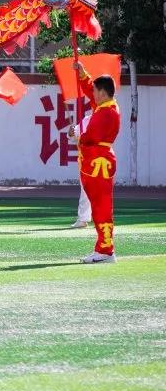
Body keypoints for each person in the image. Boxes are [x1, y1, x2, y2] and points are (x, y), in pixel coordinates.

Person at [68, 65, 120, 264]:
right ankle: (104, 248)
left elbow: (90, 137)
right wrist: (83, 75)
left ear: (103, 92)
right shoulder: (105, 107)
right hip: (98, 161)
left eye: (97, 92)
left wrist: (77, 136)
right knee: (100, 206)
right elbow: (91, 90)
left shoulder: (106, 113)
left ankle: (106, 250)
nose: (94, 95)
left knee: (101, 207)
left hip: (99, 163)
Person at [70, 113, 94, 228]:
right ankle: (83, 219)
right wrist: (72, 132)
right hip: (86, 159)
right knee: (85, 189)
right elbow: (74, 136)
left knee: (102, 190)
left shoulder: (108, 115)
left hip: (102, 159)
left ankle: (104, 220)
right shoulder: (86, 119)